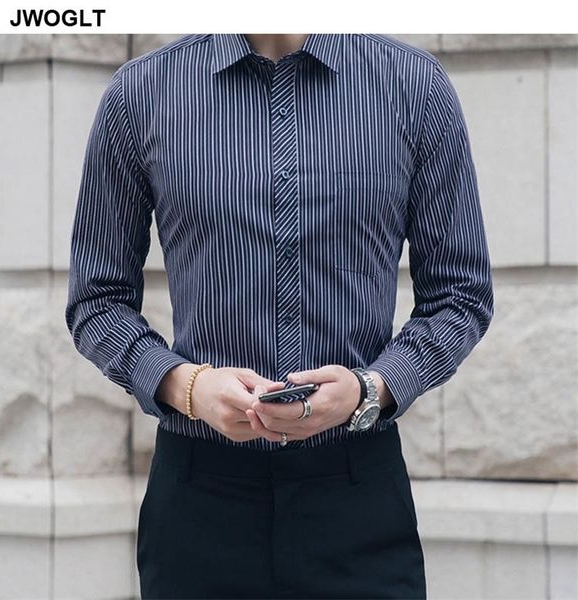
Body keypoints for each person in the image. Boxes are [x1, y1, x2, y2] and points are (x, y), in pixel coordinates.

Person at [65, 33, 494, 599]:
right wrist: (187, 387)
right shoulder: (141, 93)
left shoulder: (414, 86)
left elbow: (461, 295)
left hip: (356, 499)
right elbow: (96, 300)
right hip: (198, 505)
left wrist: (369, 389)